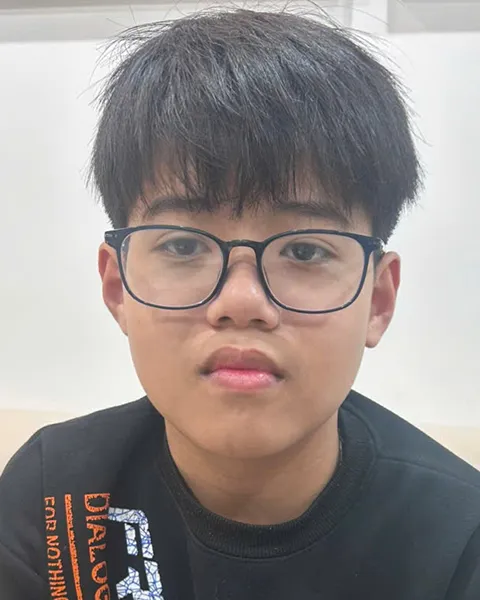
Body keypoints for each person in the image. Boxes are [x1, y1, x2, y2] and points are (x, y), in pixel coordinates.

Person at [1, 8, 479, 600]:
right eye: (183, 245)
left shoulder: (458, 542)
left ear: (378, 299)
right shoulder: (53, 491)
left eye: (304, 250)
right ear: (117, 285)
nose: (242, 302)